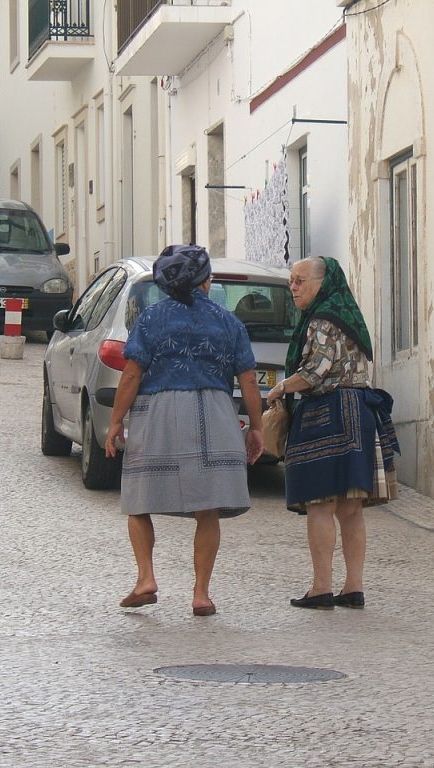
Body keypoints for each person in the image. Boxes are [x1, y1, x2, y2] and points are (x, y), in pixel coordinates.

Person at [104, 244, 265, 617]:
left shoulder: (150, 319)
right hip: (215, 411)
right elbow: (249, 381)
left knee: (139, 499)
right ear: (205, 281)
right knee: (207, 508)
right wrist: (256, 428)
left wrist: (115, 421)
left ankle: (146, 578)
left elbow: (131, 374)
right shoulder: (229, 323)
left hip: (158, 410)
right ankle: (201, 593)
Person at [267, 256, 399, 610]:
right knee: (351, 508)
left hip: (327, 414)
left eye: (300, 281)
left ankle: (321, 587)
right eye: (291, 280)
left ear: (322, 284)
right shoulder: (347, 316)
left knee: (320, 505)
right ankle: (353, 587)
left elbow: (315, 372)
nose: (293, 287)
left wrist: (281, 389)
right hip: (358, 411)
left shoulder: (322, 321)